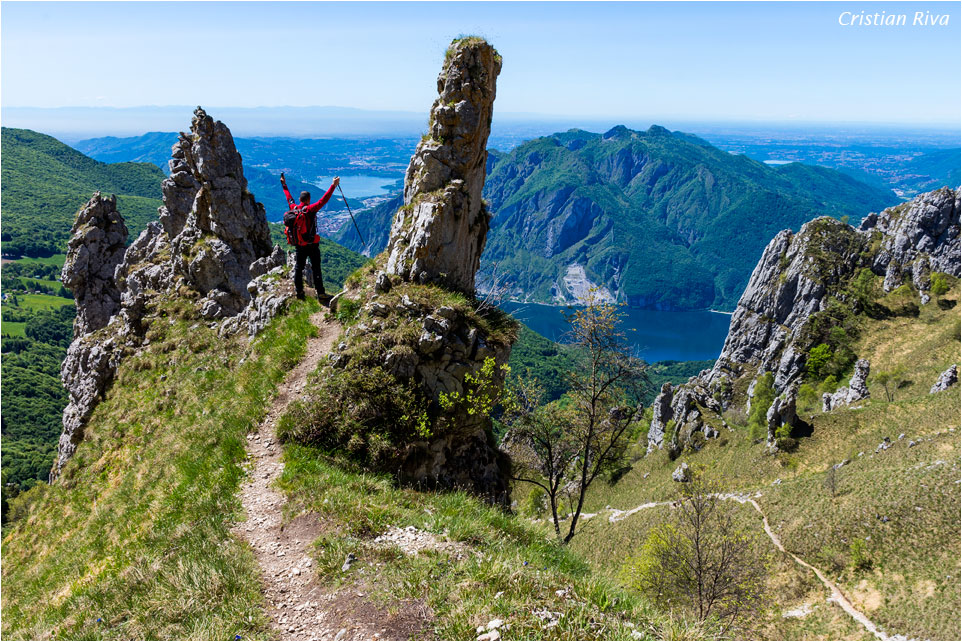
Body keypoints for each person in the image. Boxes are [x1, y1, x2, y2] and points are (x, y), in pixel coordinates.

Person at [281, 173, 339, 301]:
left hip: (299, 245)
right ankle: (321, 293)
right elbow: (324, 200)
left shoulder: (294, 208)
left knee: (298, 268)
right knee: (316, 268)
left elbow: (289, 198)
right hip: (312, 245)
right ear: (308, 200)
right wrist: (333, 186)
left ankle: (299, 292)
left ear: (300, 200)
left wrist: (284, 184)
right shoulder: (310, 209)